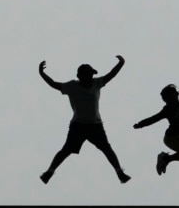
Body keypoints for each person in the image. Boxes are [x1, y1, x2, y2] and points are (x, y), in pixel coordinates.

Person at [38, 55, 131, 184]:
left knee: (107, 149)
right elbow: (54, 84)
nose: (90, 77)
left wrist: (121, 63)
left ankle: (119, 173)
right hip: (78, 125)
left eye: (91, 74)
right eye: (87, 74)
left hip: (95, 125)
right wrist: (42, 73)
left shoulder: (97, 83)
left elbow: (111, 75)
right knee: (66, 150)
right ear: (80, 76)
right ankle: (49, 172)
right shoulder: (72, 86)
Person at [133, 84, 179, 175]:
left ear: (176, 94)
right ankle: (165, 158)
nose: (168, 100)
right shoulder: (167, 109)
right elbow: (154, 118)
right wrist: (140, 124)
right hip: (172, 137)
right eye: (166, 99)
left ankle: (166, 159)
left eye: (170, 96)